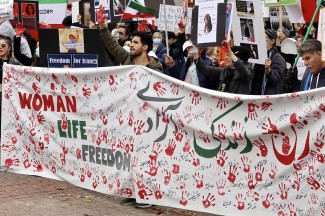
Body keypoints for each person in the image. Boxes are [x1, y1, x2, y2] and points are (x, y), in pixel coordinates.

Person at [97, 5, 161, 208]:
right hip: (130, 119)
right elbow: (113, 47)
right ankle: (135, 193)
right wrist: (102, 28)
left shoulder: (156, 68)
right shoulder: (127, 59)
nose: (130, 46)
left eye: (135, 43)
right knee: (132, 158)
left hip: (149, 122)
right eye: (130, 42)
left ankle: (148, 197)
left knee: (147, 159)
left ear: (145, 47)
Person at [251, 29, 286, 95]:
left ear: (272, 41)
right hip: (254, 97)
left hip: (268, 100)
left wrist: (268, 69)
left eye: (263, 39)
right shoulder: (257, 56)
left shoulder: (278, 59)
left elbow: (274, 80)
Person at [0, 37, 21, 138]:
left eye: (3, 46)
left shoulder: (14, 64)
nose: (0, 48)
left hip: (10, 99)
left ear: (8, 48)